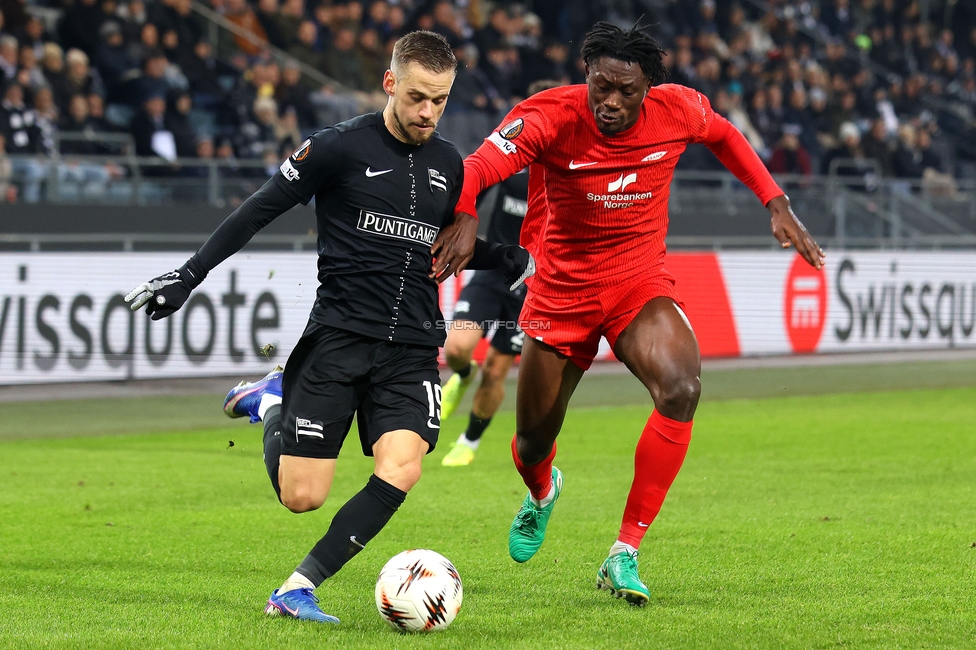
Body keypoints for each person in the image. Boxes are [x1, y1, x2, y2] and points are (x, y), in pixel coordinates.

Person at [124, 31, 530, 624]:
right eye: (417, 97)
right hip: (339, 338)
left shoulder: (449, 164)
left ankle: (297, 588)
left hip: (413, 345)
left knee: (403, 466)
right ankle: (270, 402)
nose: (427, 112)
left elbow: (447, 246)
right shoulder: (337, 147)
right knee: (302, 497)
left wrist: (508, 257)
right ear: (390, 83)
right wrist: (189, 275)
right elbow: (257, 209)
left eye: (440, 101)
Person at [439, 22, 825, 607]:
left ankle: (624, 551)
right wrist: (466, 212)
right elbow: (479, 164)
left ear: (649, 89)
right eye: (602, 86)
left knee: (682, 387)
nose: (612, 102)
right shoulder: (548, 115)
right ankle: (543, 493)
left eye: (627, 91)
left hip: (636, 281)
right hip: (560, 289)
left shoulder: (678, 109)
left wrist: (776, 201)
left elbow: (725, 135)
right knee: (531, 443)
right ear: (587, 76)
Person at [439, 79, 560, 468]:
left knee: (497, 371)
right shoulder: (512, 162)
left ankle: (468, 442)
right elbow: (473, 187)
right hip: (494, 271)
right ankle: (462, 375)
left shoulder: (569, 174)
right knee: (456, 348)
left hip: (534, 288)